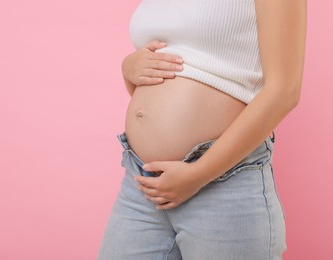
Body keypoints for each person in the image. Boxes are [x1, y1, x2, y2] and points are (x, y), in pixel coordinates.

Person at [98, 0, 307, 259]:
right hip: (142, 182)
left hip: (223, 183)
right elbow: (183, 63)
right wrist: (129, 69)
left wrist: (198, 173)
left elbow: (284, 91)